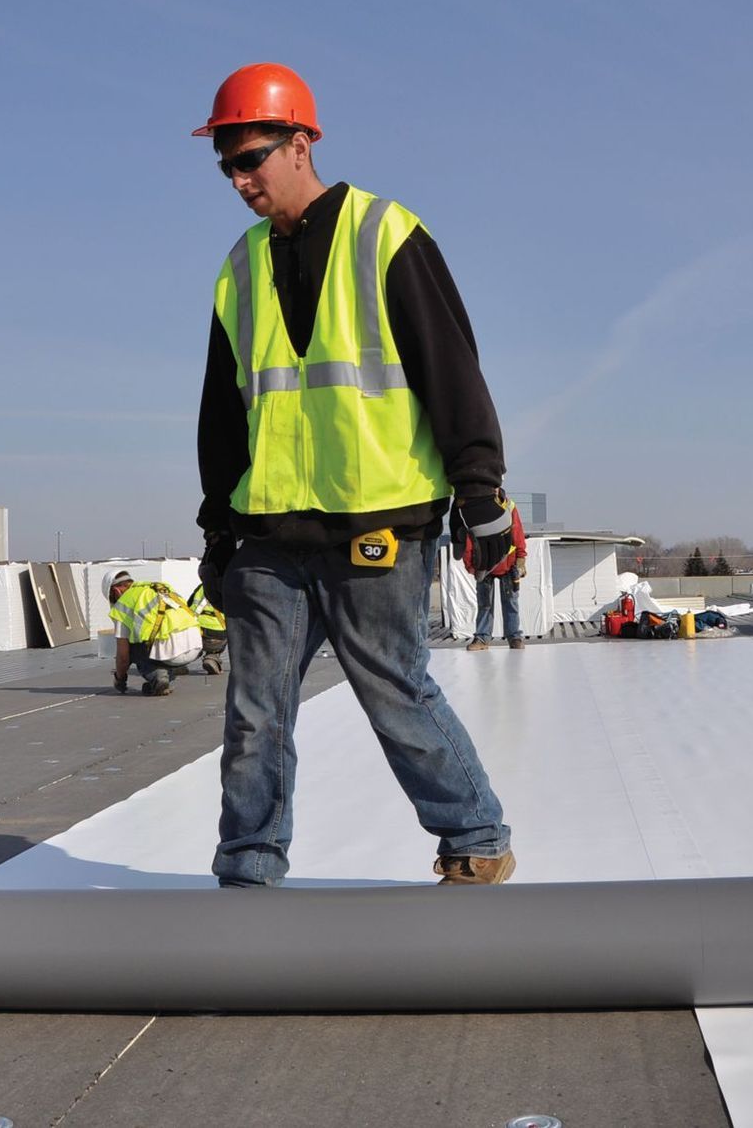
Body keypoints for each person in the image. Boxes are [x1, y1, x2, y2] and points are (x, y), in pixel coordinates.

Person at [193, 62, 517, 887]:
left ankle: (476, 840)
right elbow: (223, 413)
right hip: (269, 531)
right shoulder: (239, 267)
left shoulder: (387, 233)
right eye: (226, 163)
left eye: (251, 157)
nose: (238, 179)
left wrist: (480, 494)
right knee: (254, 715)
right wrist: (218, 527)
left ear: (301, 143)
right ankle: (248, 869)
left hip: (377, 522)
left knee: (397, 698)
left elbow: (452, 368)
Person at [107, 570, 203, 697]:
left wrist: (120, 679)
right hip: (195, 646)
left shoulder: (123, 604)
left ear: (116, 591)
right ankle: (171, 671)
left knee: (129, 646)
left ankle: (157, 676)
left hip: (171, 653)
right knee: (155, 639)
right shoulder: (160, 587)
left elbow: (123, 657)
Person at [467, 495, 528, 651]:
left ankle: (514, 637)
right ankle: (482, 638)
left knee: (511, 602)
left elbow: (517, 531)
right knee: (485, 604)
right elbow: (470, 535)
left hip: (508, 563)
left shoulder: (509, 506)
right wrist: (471, 565)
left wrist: (521, 558)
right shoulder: (476, 506)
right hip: (484, 564)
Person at [186, 582, 228, 675]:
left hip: (196, 632)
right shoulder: (229, 587)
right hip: (217, 636)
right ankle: (212, 657)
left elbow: (188, 606)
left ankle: (179, 664)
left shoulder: (201, 587)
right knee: (230, 629)